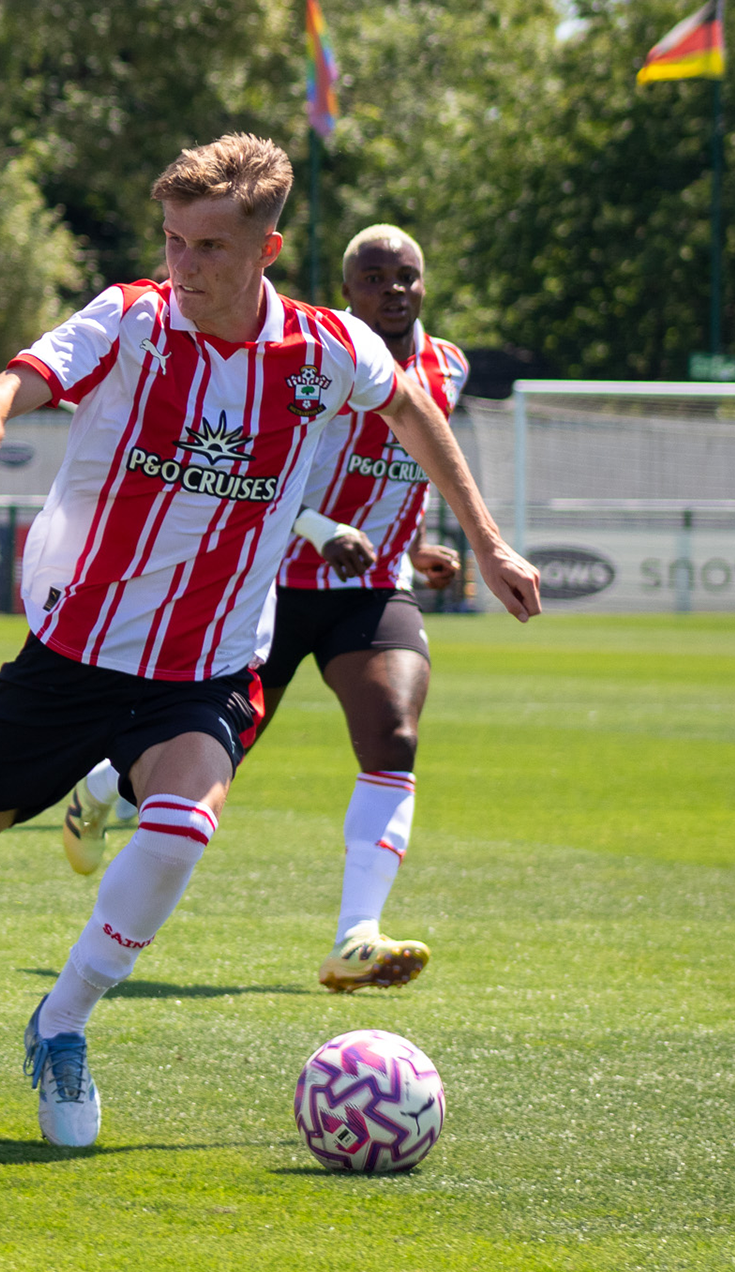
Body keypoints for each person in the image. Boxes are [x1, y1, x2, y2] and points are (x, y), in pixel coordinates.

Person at [0, 136, 539, 1148]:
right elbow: (7, 383)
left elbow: (411, 406)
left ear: (269, 244)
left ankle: (62, 1020)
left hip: (206, 670)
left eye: (212, 244)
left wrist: (485, 536)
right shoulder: (129, 321)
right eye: (174, 240)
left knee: (180, 823)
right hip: (71, 659)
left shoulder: (325, 351)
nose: (187, 265)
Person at [59, 224, 471, 996]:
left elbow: (402, 475)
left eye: (407, 275)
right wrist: (319, 529)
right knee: (209, 762)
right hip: (268, 583)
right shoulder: (322, 355)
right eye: (376, 277)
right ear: (348, 292)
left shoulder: (447, 366)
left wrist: (416, 551)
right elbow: (270, 467)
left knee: (394, 732)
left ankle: (358, 936)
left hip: (372, 588)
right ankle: (109, 786)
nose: (396, 289)